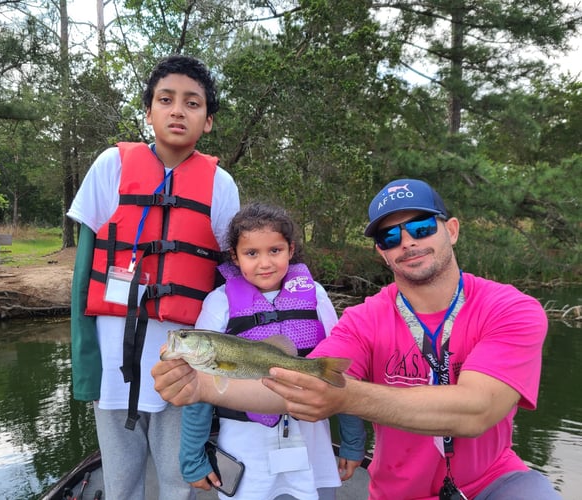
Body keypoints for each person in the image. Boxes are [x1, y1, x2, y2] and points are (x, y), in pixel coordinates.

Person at [152, 178, 561, 499]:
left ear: (451, 230)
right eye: (389, 237)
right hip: (399, 492)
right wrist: (203, 385)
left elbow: (477, 410)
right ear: (381, 253)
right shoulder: (363, 320)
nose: (408, 242)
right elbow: (299, 385)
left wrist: (345, 399)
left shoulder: (512, 309)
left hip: (494, 482)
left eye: (420, 227)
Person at [67, 54, 240, 500]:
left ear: (208, 121)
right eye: (166, 100)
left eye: (192, 103)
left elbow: (230, 281)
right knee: (120, 480)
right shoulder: (111, 164)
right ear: (149, 112)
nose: (178, 110)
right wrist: (85, 364)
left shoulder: (221, 184)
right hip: (112, 360)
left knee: (177, 477)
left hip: (184, 360)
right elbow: (84, 271)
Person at [179, 202, 366, 500]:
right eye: (252, 253)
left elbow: (342, 374)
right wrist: (192, 458)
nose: (264, 263)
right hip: (245, 444)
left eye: (274, 251)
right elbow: (200, 383)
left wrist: (353, 440)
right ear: (235, 257)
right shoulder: (219, 302)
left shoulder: (315, 294)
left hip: (311, 439)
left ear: (291, 250)